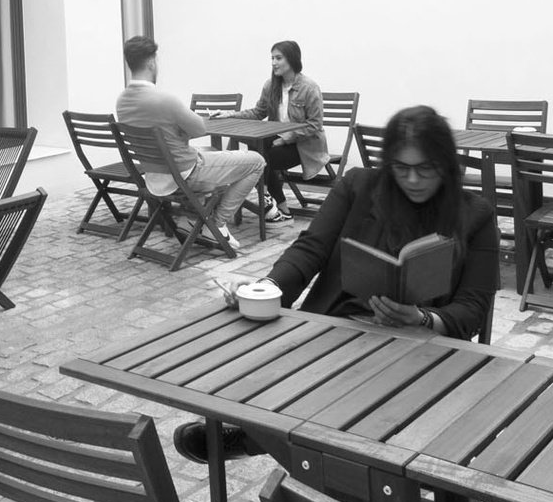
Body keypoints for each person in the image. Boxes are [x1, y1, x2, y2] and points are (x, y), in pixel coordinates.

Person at [174, 105, 500, 463]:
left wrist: (422, 318)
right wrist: (266, 288)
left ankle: (257, 441)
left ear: (446, 165)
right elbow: (310, 250)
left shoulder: (475, 214)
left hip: (424, 347)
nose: (413, 180)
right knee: (277, 371)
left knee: (345, 399)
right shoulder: (359, 187)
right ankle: (282, 447)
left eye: (426, 169)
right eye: (402, 168)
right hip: (338, 327)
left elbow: (473, 307)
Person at [115, 36, 266, 250]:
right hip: (187, 173)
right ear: (151, 62)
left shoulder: (122, 102)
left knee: (219, 160)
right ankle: (216, 224)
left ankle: (191, 219)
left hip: (153, 178)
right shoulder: (165, 100)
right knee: (257, 161)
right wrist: (180, 133)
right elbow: (200, 129)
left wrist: (176, 135)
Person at [209, 39, 327, 224]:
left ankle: (279, 208)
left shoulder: (309, 87)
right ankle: (270, 203)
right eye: (272, 58)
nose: (273, 63)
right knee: (255, 152)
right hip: (277, 141)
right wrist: (229, 114)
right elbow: (258, 113)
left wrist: (287, 138)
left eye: (278, 58)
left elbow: (315, 125)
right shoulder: (270, 85)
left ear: (292, 59)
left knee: (264, 156)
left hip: (305, 146)